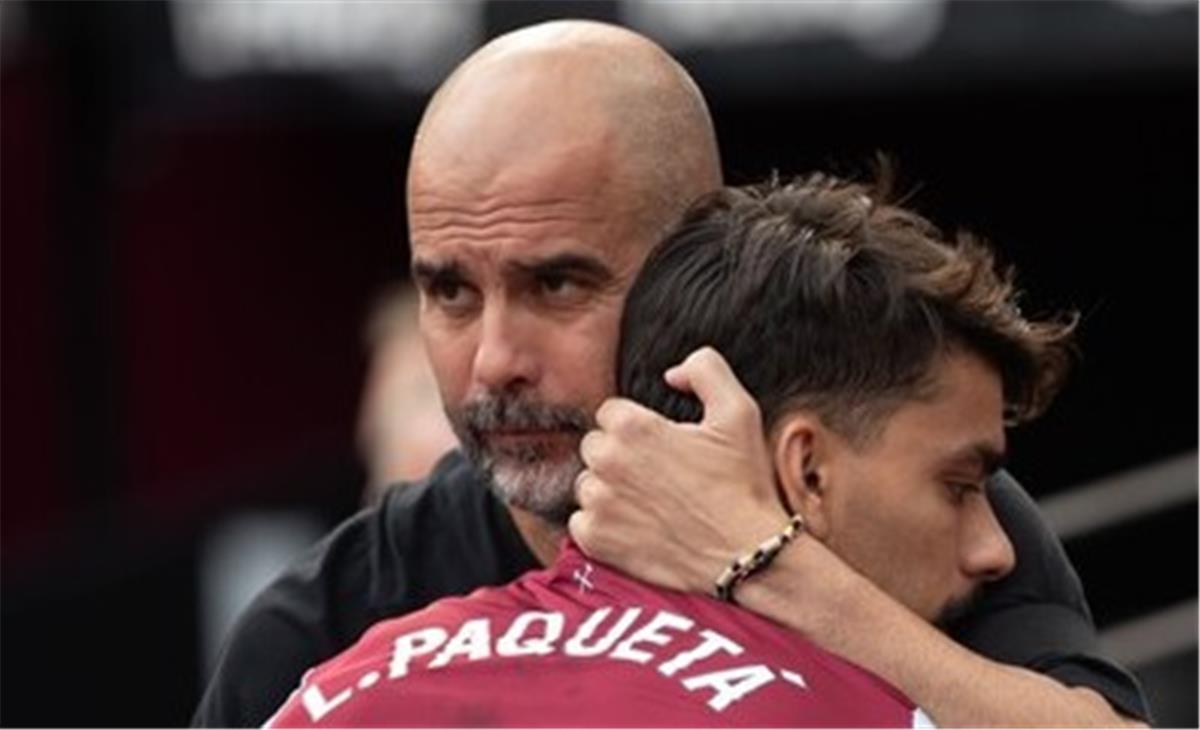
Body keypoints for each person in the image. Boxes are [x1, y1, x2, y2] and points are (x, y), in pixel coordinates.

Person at [193, 20, 1148, 728]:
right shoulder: (329, 617)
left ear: (694, 260)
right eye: (450, 292)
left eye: (557, 284)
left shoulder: (902, 508)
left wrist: (770, 563)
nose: (495, 361)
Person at [265, 171, 1068, 727]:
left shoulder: (334, 688)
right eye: (958, 486)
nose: (994, 549)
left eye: (555, 285)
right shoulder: (857, 714)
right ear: (807, 471)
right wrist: (766, 558)